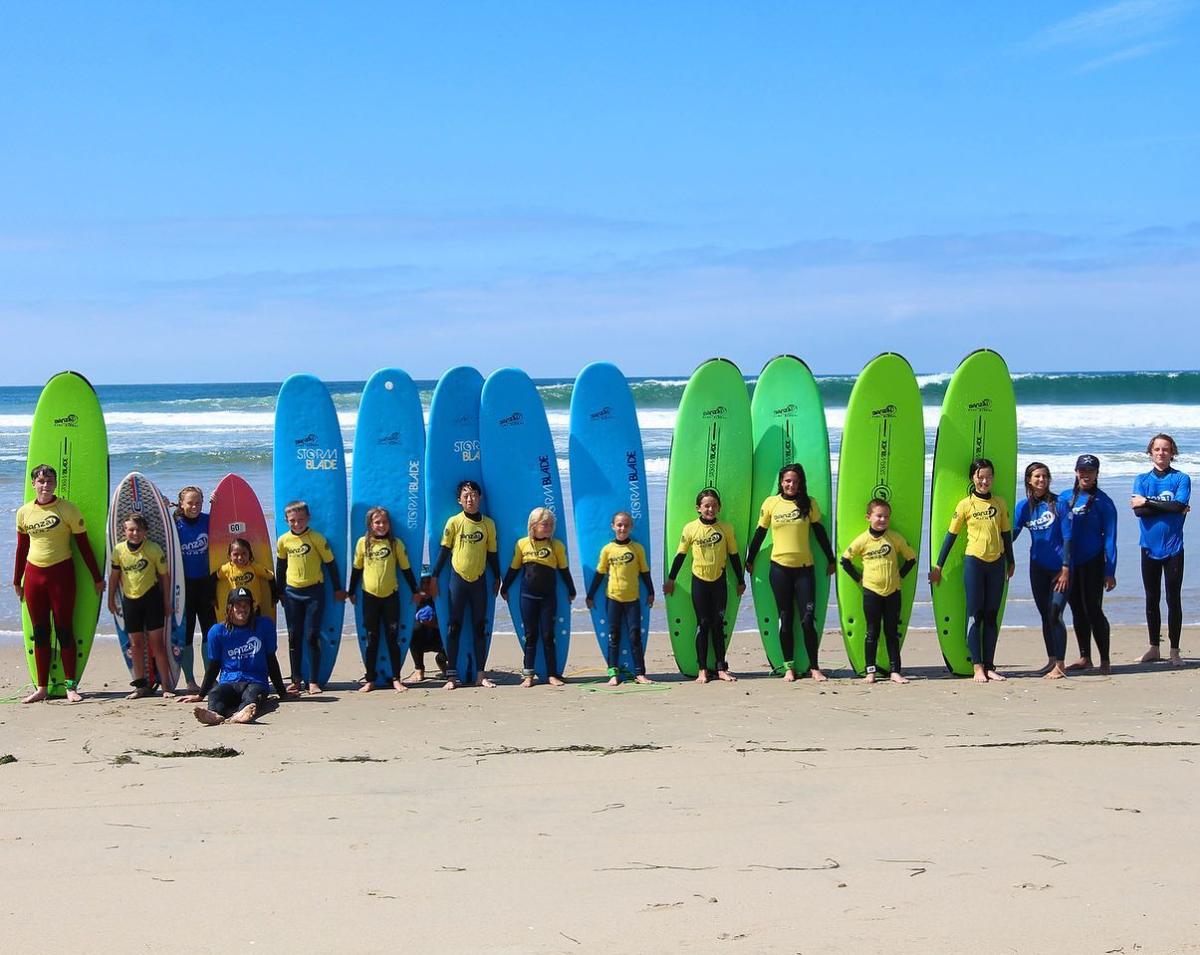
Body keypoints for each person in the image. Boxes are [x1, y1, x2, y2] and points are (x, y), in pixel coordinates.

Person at [12, 464, 105, 703]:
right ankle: (41, 687)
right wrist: (17, 580)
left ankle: (71, 687)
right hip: (34, 577)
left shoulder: (68, 510)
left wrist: (96, 577)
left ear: (55, 484)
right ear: (33, 484)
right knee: (40, 632)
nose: (45, 485)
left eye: (49, 481)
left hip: (61, 575)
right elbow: (21, 548)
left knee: (64, 630)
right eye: (40, 481)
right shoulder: (24, 513)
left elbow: (84, 546)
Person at [745, 463, 837, 681]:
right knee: (785, 619)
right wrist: (749, 559)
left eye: (795, 481)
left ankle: (814, 667)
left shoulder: (808, 503)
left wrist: (831, 558)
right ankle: (789, 668)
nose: (791, 485)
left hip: (805, 570)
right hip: (779, 569)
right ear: (781, 482)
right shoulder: (771, 504)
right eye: (787, 481)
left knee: (807, 619)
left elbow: (820, 533)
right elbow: (759, 533)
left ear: (800, 483)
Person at [929, 458, 1015, 683]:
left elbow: (1006, 535)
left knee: (991, 616)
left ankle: (990, 665)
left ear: (993, 478)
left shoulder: (1000, 503)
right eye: (980, 477)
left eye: (988, 477)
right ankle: (977, 667)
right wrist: (939, 565)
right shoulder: (965, 505)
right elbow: (950, 536)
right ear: (973, 478)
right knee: (976, 616)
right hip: (974, 563)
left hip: (997, 564)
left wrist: (1011, 561)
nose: (984, 481)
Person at [177, 587, 297, 725]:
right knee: (216, 693)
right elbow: (213, 666)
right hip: (229, 681)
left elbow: (271, 660)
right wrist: (200, 695)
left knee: (252, 695)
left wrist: (282, 692)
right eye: (238, 605)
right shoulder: (217, 632)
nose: (243, 609)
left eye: (246, 605)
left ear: (251, 607)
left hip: (255, 681)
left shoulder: (264, 626)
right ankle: (214, 714)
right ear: (230, 607)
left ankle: (241, 713)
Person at [664, 488, 745, 684]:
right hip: (699, 581)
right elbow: (681, 555)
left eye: (714, 505)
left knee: (718, 625)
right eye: (706, 505)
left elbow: (734, 555)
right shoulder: (690, 528)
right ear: (698, 508)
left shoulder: (726, 528)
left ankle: (721, 668)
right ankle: (702, 670)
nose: (710, 509)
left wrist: (740, 580)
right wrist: (671, 579)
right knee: (703, 624)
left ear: (719, 507)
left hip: (719, 581)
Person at [427, 480, 501, 689]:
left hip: (479, 581)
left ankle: (480, 675)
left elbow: (492, 554)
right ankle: (451, 676)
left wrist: (497, 577)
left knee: (480, 627)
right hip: (457, 580)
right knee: (454, 626)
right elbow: (443, 551)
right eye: (466, 496)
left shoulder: (489, 524)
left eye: (474, 495)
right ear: (459, 500)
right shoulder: (454, 522)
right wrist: (434, 577)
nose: (470, 499)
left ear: (480, 498)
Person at [839, 498, 917, 684]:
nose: (883, 520)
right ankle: (870, 671)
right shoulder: (863, 540)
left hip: (893, 592)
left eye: (886, 516)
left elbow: (911, 558)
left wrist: (900, 576)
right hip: (871, 592)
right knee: (872, 632)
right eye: (879, 516)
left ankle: (895, 671)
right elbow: (845, 560)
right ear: (869, 517)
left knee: (891, 632)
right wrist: (859, 579)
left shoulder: (895, 538)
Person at [275, 500, 346, 695]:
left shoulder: (316, 538)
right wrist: (278, 592)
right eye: (292, 520)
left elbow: (331, 564)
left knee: (312, 636)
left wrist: (338, 589)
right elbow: (281, 567)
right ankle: (296, 680)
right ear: (286, 520)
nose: (297, 524)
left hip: (314, 593)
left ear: (308, 519)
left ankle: (313, 682)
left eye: (300, 520)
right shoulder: (283, 541)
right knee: (293, 636)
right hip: (291, 593)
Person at [347, 506, 420, 693]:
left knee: (392, 638)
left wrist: (415, 590)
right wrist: (351, 591)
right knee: (372, 639)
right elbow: (356, 569)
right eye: (377, 522)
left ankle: (396, 678)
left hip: (390, 597)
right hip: (369, 597)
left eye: (384, 522)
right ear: (370, 524)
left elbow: (406, 570)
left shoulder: (395, 544)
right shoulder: (363, 543)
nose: (381, 525)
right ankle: (370, 679)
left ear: (389, 524)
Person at [1131, 433, 1190, 666]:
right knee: (1151, 598)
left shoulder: (1181, 479)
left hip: (1174, 548)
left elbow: (1179, 505)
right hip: (1148, 548)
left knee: (1173, 599)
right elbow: (1138, 512)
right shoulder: (1141, 479)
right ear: (1150, 452)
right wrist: (1171, 507)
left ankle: (1174, 650)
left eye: (1166, 449)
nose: (1161, 453)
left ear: (1172, 452)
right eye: (1157, 449)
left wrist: (1147, 502)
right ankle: (1154, 648)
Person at [502, 508, 577, 688]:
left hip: (548, 597)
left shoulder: (556, 546)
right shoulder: (522, 544)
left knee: (548, 635)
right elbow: (514, 569)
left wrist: (571, 589)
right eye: (545, 524)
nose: (549, 528)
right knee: (531, 636)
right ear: (533, 526)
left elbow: (564, 570)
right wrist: (504, 588)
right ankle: (528, 675)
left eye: (551, 525)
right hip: (527, 596)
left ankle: (552, 674)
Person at [1012, 462, 1071, 679]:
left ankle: (1061, 665)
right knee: (1046, 616)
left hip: (1060, 569)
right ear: (1029, 480)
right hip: (1037, 567)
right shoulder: (1024, 507)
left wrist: (1066, 568)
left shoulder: (1060, 504)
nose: (1041, 480)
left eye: (1045, 476)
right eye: (1037, 476)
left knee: (1055, 612)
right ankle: (1052, 660)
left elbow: (1068, 538)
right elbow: (1012, 535)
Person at [1061, 454, 1118, 674]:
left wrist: (1110, 570)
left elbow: (1111, 538)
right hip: (1070, 564)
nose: (1086, 475)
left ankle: (1105, 660)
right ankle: (1085, 657)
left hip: (1093, 562)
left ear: (1096, 474)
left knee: (1094, 610)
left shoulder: (1105, 502)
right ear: (1076, 472)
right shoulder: (1065, 497)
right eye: (1082, 471)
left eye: (1091, 471)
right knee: (1076, 610)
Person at [108, 514, 175, 698]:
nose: (135, 533)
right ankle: (141, 686)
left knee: (157, 645)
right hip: (130, 601)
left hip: (152, 599)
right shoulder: (119, 550)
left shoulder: (153, 549)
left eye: (138, 530)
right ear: (124, 531)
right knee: (136, 645)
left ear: (145, 532)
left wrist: (167, 602)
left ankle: (166, 687)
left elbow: (164, 577)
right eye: (131, 529)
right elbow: (114, 577)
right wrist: (110, 599)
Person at [585, 510, 655, 686]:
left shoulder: (637, 549)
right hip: (613, 599)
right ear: (613, 527)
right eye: (619, 525)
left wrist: (652, 592)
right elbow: (600, 573)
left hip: (633, 600)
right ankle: (613, 673)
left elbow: (645, 572)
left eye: (626, 525)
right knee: (613, 636)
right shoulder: (608, 549)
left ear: (631, 527)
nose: (622, 528)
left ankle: (640, 673)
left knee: (634, 637)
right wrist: (590, 595)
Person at [174, 485, 216, 694]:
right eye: (190, 502)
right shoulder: (174, 525)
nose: (195, 506)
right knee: (187, 635)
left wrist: (219, 502)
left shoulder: (209, 520)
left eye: (198, 502)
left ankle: (210, 678)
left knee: (210, 633)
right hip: (185, 586)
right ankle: (190, 681)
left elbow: (228, 523)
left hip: (206, 585)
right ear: (181, 504)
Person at [212, 537, 277, 617]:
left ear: (249, 554)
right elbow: (213, 578)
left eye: (244, 554)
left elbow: (271, 577)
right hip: (235, 609)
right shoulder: (227, 568)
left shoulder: (254, 567)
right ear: (230, 556)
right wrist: (213, 598)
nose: (240, 558)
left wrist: (274, 596)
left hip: (253, 609)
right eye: (236, 554)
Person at [409, 577, 449, 683]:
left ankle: (442, 663)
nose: (426, 586)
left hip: (439, 640)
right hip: (422, 640)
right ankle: (419, 669)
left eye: (428, 583)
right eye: (423, 583)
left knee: (452, 634)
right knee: (413, 630)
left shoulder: (441, 599)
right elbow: (405, 623)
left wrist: (436, 624)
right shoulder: (414, 600)